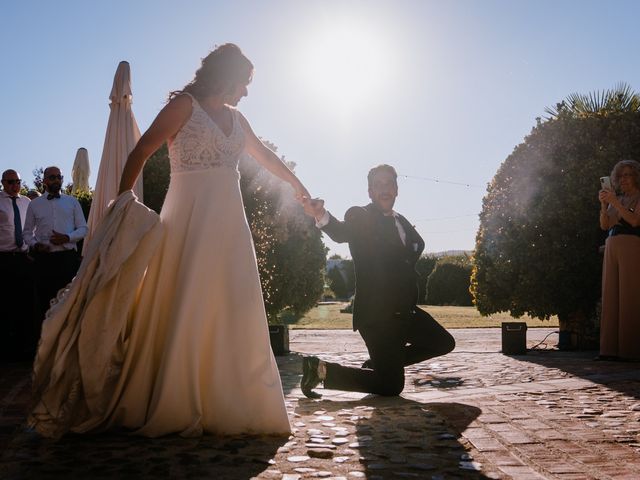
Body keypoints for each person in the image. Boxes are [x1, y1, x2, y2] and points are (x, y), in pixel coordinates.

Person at [29, 43, 307, 438]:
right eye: (244, 83)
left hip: (230, 224)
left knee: (231, 300)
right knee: (186, 296)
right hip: (188, 218)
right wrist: (124, 201)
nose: (246, 92)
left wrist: (299, 189)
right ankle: (177, 396)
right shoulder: (184, 106)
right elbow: (141, 150)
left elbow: (263, 156)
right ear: (226, 76)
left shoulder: (238, 119)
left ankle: (232, 399)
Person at [301, 164, 455, 398]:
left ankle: (383, 363)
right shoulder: (360, 216)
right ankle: (321, 371)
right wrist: (320, 215)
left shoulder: (401, 221)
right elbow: (342, 232)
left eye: (389, 184)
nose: (384, 189)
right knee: (390, 386)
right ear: (370, 192)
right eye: (378, 185)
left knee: (443, 342)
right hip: (377, 316)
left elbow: (410, 253)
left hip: (405, 312)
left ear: (396, 189)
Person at [23, 166, 87, 341]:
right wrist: (36, 246)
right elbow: (27, 232)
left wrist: (67, 237)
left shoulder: (72, 202)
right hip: (44, 261)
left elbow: (83, 228)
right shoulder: (34, 204)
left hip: (68, 260)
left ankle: (67, 343)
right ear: (44, 180)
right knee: (45, 303)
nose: (56, 180)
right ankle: (47, 344)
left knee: (69, 302)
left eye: (59, 177)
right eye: (52, 177)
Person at [597, 159, 640, 361]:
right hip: (612, 244)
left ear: (636, 177)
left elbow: (633, 220)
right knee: (610, 295)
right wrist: (605, 205)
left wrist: (614, 202)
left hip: (632, 245)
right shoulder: (617, 199)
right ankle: (608, 350)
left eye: (628, 174)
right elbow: (605, 225)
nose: (624, 179)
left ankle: (629, 350)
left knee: (628, 295)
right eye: (620, 175)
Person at [0, 169, 33, 360]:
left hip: (23, 258)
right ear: (3, 182)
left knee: (25, 303)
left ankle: (24, 348)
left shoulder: (27, 203)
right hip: (3, 258)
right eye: (11, 182)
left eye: (18, 182)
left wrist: (31, 248)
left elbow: (31, 228)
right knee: (5, 304)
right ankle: (6, 349)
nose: (15, 185)